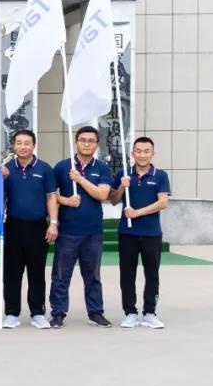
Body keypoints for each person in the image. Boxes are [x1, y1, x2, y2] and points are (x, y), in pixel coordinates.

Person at [50, 125, 114, 329]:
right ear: (76, 142)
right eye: (83, 140)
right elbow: (50, 195)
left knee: (93, 276)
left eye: (91, 141)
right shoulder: (62, 167)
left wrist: (80, 179)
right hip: (67, 231)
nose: (87, 144)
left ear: (97, 144)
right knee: (61, 276)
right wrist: (66, 201)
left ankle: (95, 313)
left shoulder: (102, 168)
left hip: (93, 232)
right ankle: (58, 313)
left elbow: (102, 195)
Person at [0, 129, 58, 330]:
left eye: (27, 143)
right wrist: (0, 179)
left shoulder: (44, 168)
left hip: (37, 227)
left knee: (36, 272)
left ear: (33, 145)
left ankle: (38, 313)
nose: (23, 146)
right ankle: (12, 313)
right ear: (13, 145)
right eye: (19, 143)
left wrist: (53, 222)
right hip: (13, 226)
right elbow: (1, 198)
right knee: (12, 272)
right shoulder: (6, 169)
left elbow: (51, 197)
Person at [110, 136, 170, 329]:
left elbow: (163, 203)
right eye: (138, 151)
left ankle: (150, 313)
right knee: (127, 274)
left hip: (151, 233)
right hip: (127, 233)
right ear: (132, 153)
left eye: (146, 151)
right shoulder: (124, 173)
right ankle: (130, 313)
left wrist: (137, 213)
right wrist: (122, 186)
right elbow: (113, 200)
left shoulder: (160, 175)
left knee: (152, 273)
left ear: (153, 154)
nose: (142, 155)